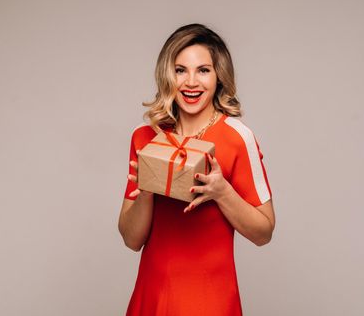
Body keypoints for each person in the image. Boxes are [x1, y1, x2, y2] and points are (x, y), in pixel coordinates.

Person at [118, 23, 276, 315]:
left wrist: (222, 192)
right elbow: (131, 239)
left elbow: (264, 232)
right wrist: (146, 191)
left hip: (211, 301)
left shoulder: (238, 137)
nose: (191, 82)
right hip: (152, 297)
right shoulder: (145, 137)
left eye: (203, 70)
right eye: (180, 70)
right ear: (168, 75)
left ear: (219, 77)